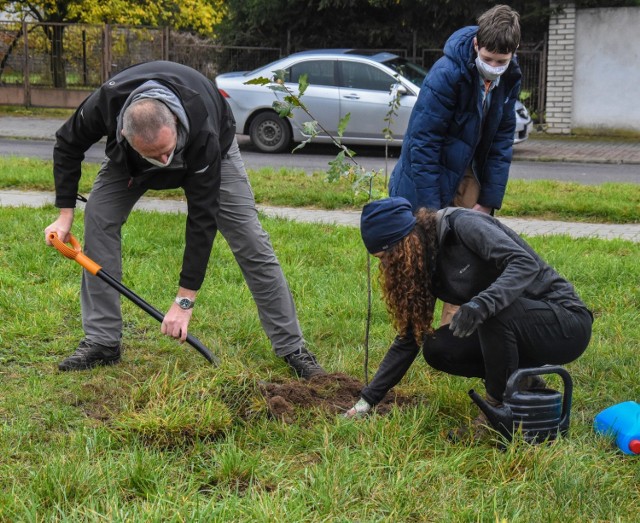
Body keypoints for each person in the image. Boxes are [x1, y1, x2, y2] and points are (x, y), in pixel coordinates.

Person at [44, 60, 325, 379]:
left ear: (175, 122)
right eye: (156, 155)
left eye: (167, 151)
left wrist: (184, 302)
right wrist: (65, 215)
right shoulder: (106, 103)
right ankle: (102, 340)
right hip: (133, 163)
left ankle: (292, 348)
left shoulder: (201, 128)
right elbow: (67, 143)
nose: (165, 161)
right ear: (123, 133)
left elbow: (202, 219)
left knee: (250, 239)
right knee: (98, 215)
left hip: (209, 149)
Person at [344, 197, 593, 438]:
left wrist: (481, 304)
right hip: (509, 327)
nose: (388, 265)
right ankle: (522, 383)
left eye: (389, 256)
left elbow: (524, 263)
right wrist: (368, 399)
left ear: (406, 242)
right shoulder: (424, 259)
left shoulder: (463, 225)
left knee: (493, 312)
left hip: (564, 322)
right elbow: (411, 336)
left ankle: (496, 413)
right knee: (438, 347)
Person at [389, 4, 523, 326]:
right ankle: (413, 331)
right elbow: (423, 144)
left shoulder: (510, 77)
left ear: (514, 53)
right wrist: (431, 212)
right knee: (422, 259)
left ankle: (448, 334)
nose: (493, 67)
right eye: (488, 58)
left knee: (464, 253)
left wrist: (488, 202)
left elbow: (501, 142)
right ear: (477, 44)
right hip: (426, 175)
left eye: (501, 62)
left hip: (467, 174)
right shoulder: (447, 74)